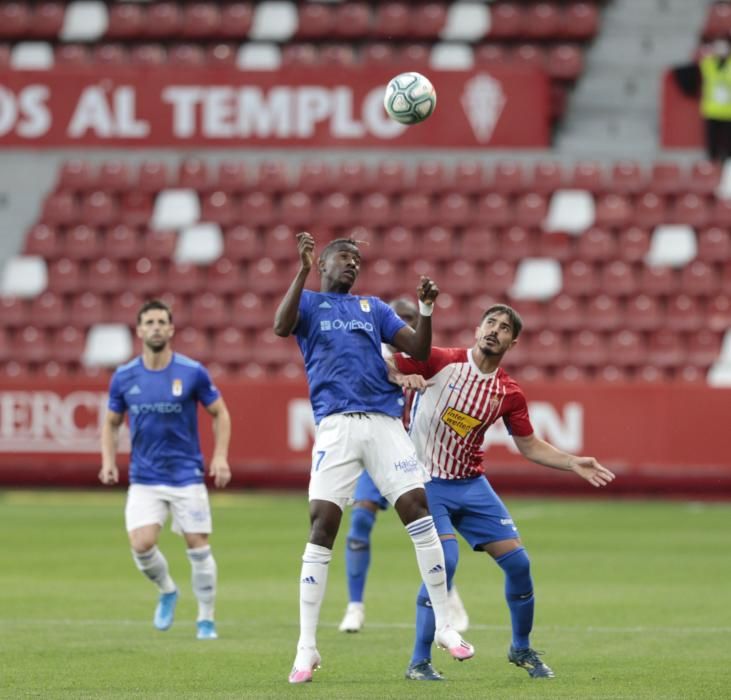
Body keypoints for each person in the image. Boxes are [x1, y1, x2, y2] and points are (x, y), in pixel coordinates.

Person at [273, 233, 475, 684]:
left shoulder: (374, 309)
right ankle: (306, 646)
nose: (353, 263)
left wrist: (425, 311)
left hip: (385, 425)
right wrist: (301, 270)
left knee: (418, 512)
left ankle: (444, 624)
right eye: (344, 257)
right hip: (338, 426)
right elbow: (280, 327)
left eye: (358, 259)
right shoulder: (307, 304)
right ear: (323, 264)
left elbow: (419, 351)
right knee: (322, 524)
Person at [390, 304, 615, 681]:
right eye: (490, 323)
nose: (495, 330)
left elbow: (528, 445)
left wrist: (573, 461)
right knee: (444, 563)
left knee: (519, 564)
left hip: (471, 484)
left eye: (504, 327)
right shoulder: (441, 361)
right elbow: (384, 362)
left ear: (514, 341)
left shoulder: (508, 392)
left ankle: (521, 648)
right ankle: (419, 661)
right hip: (427, 481)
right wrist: (400, 377)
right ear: (477, 329)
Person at [99, 299, 232, 641]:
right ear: (140, 330)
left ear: (171, 329)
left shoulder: (192, 371)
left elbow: (220, 413)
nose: (156, 327)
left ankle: (206, 619)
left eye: (162, 321)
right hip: (145, 477)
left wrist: (219, 457)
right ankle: (168, 590)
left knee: (198, 545)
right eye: (150, 322)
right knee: (141, 544)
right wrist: (108, 461)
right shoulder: (125, 376)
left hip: (186, 474)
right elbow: (111, 422)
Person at [339, 298, 470, 635]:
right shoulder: (373, 360)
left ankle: (447, 592)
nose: (405, 327)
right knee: (359, 524)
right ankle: (355, 606)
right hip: (379, 453)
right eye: (400, 320)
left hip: (421, 460)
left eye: (411, 320)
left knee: (432, 534)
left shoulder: (432, 362)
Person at [673, 38, 731, 161]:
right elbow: (690, 68)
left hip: (728, 112)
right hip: (711, 110)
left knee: (728, 143)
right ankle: (712, 164)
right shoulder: (707, 64)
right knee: (712, 144)